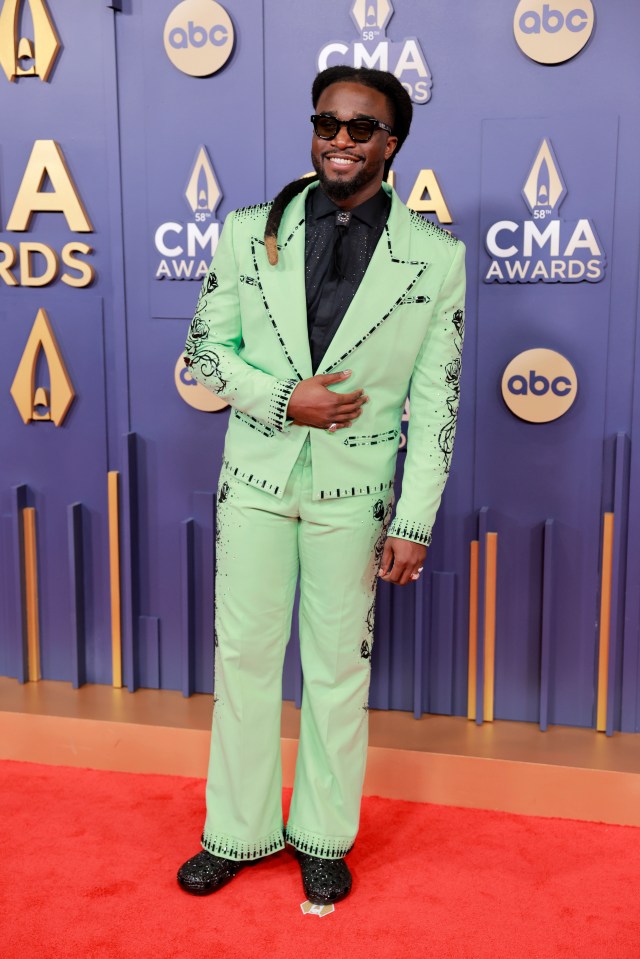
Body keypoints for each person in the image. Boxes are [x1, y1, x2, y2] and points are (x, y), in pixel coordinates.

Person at [178, 65, 466, 905]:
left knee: (339, 671)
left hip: (356, 493)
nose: (340, 138)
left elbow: (436, 400)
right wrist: (282, 399)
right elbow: (204, 350)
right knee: (244, 661)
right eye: (327, 122)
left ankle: (324, 835)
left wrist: (413, 519)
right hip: (256, 479)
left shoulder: (435, 257)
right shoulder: (244, 230)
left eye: (360, 127)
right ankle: (235, 829)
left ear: (392, 142)